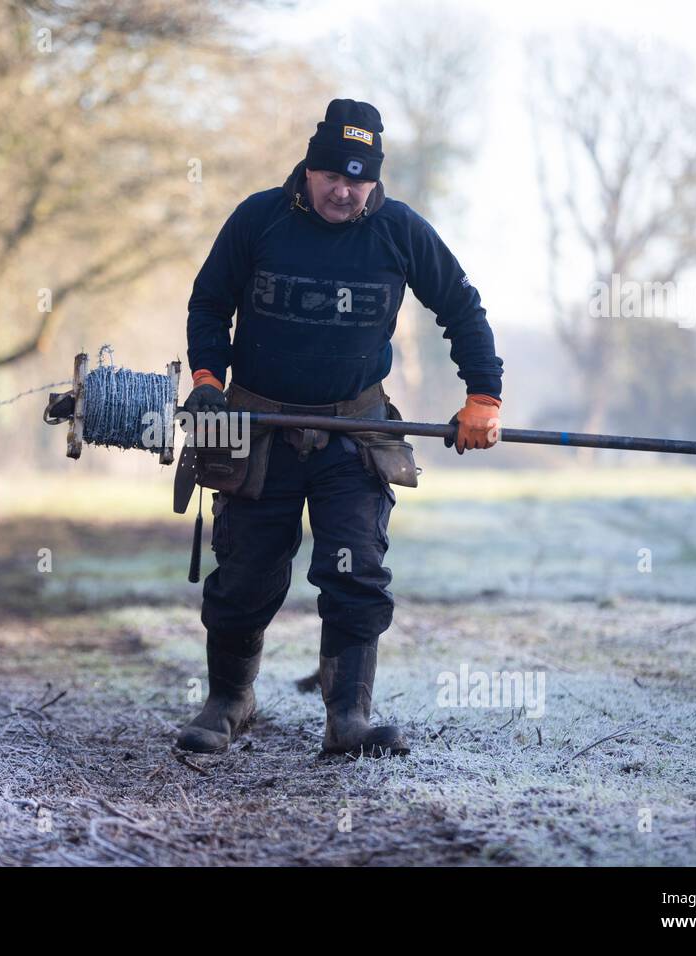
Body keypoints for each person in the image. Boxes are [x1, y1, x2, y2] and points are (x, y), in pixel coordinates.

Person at [176, 98, 504, 757]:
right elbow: (209, 303)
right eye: (332, 175)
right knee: (247, 572)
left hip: (355, 433)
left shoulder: (400, 231)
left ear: (375, 180)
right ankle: (230, 700)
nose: (344, 189)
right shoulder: (258, 219)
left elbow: (461, 307)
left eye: (358, 179)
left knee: (354, 571)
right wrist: (207, 383)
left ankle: (348, 717)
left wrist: (483, 397)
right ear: (308, 168)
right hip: (253, 425)